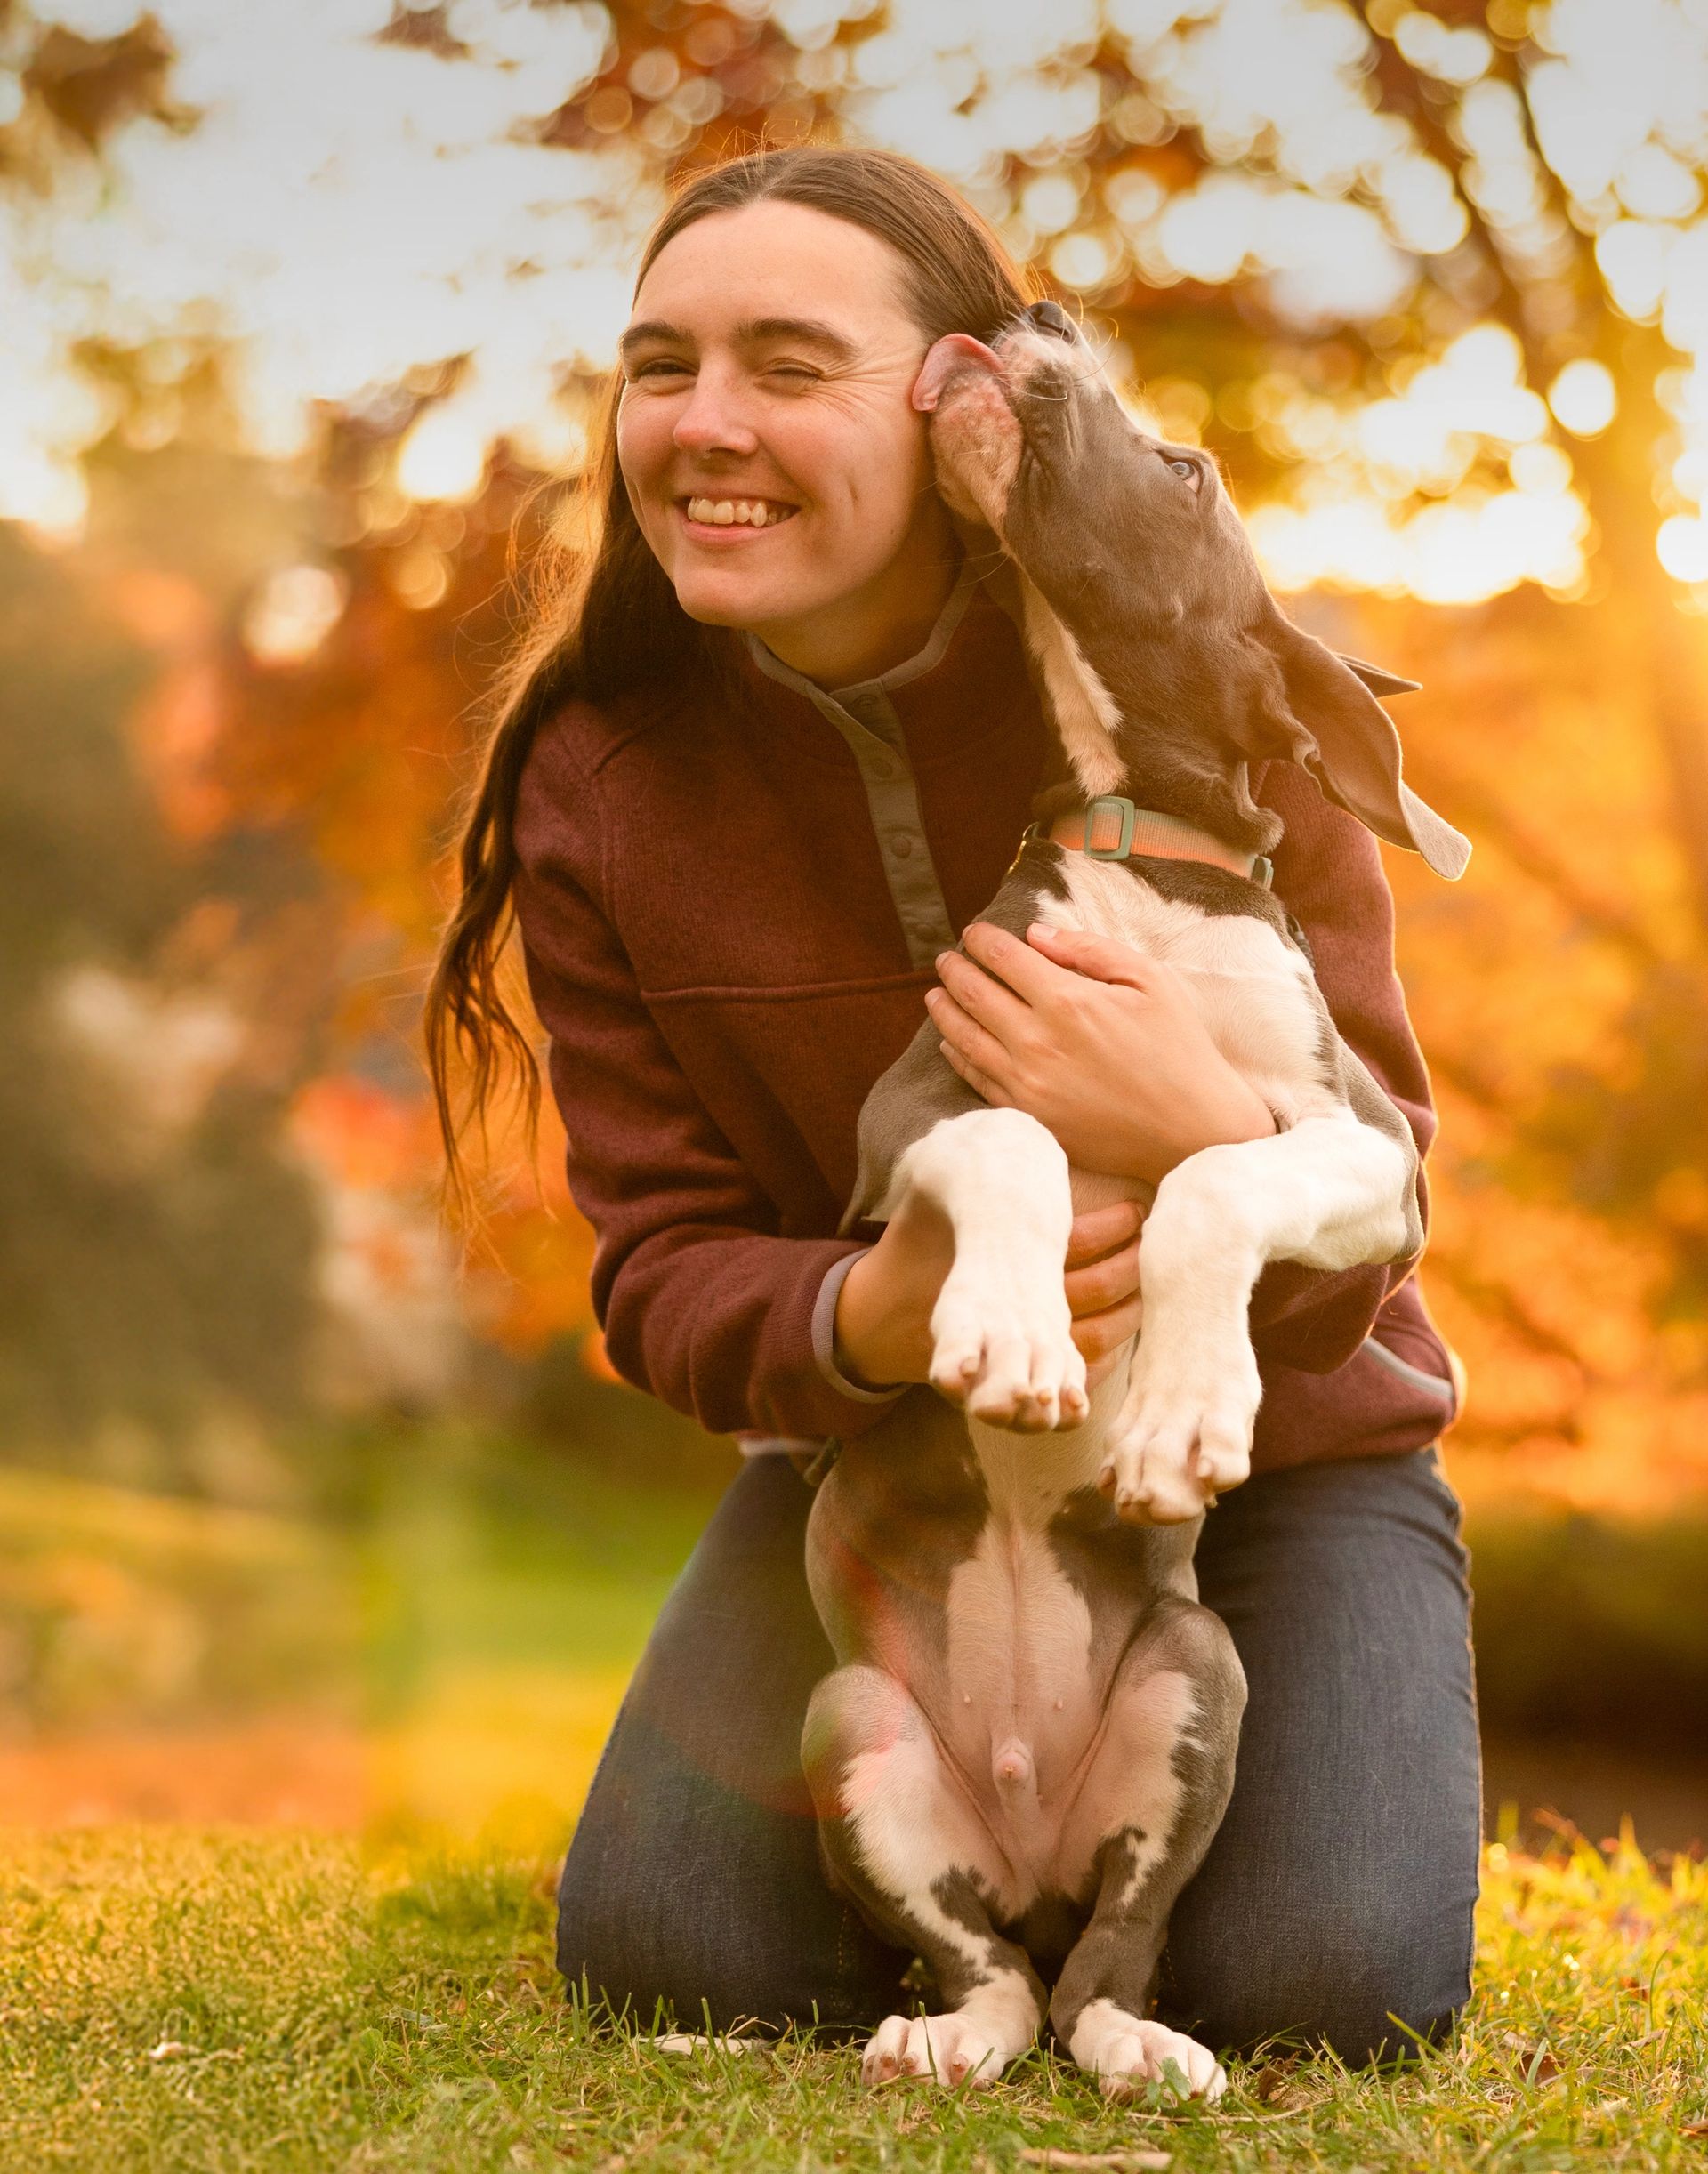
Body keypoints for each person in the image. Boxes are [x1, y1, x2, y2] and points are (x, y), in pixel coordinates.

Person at [425, 145, 1480, 2068]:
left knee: (1325, 1986)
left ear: (955, 401)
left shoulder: (1189, 672)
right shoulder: (608, 773)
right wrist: (879, 1310)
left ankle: (1149, 1901)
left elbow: (1380, 1200)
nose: (707, 424)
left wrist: (1204, 1138)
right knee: (672, 1947)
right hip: (907, 1484)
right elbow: (663, 1279)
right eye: (662, 366)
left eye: (789, 364)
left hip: (1291, 1459)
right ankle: (983, 1951)